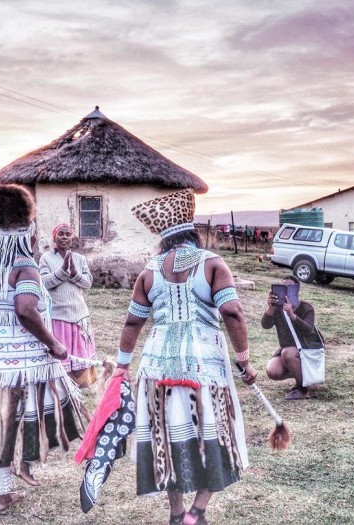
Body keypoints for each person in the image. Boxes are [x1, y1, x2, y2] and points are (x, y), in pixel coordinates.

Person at [122, 189, 257, 525]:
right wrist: (244, 360)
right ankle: (197, 513)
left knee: (168, 438)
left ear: (163, 239)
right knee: (217, 434)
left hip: (156, 369)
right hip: (204, 368)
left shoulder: (149, 271)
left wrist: (123, 365)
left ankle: (176, 514)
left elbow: (133, 321)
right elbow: (233, 312)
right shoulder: (211, 263)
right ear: (192, 230)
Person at [0, 182, 83, 513]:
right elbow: (25, 310)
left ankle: (2, 490)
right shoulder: (24, 265)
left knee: (1, 421)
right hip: (21, 360)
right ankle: (5, 487)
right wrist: (53, 343)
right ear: (27, 229)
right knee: (13, 421)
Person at [39, 223, 97, 387]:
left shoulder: (79, 259)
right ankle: (63, 384)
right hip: (58, 314)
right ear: (54, 237)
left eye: (68, 234)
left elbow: (87, 283)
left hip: (79, 314)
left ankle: (80, 383)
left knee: (79, 352)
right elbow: (43, 283)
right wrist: (62, 270)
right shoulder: (46, 258)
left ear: (72, 238)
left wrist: (73, 272)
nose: (64, 237)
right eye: (61, 234)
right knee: (61, 351)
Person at [263, 275, 324, 400]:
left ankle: (302, 389)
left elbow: (308, 329)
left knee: (288, 353)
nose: (285, 290)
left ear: (296, 290)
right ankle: (301, 375)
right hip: (288, 350)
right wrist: (270, 308)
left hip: (307, 348)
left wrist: (292, 315)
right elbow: (265, 325)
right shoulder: (277, 309)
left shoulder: (306, 307)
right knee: (272, 371)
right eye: (282, 287)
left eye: (289, 287)